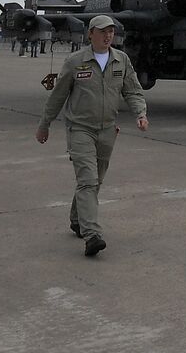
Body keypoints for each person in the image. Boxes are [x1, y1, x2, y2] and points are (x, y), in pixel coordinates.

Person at [36, 16, 148, 257]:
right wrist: (44, 124)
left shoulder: (121, 60)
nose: (108, 36)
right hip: (80, 129)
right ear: (90, 34)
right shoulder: (76, 61)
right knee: (87, 180)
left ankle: (77, 219)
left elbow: (133, 90)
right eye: (102, 31)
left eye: (111, 31)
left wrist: (140, 113)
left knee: (95, 180)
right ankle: (92, 235)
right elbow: (57, 96)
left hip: (107, 130)